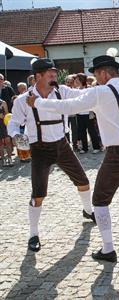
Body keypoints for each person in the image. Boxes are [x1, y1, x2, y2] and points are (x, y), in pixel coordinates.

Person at [27, 54, 119, 263]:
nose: (96, 79)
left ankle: (108, 249)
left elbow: (68, 107)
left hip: (117, 154)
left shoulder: (100, 92)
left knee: (99, 201)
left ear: (104, 73)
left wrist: (39, 103)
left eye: (96, 75)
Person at [7, 58, 95, 252]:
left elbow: (83, 95)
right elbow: (14, 123)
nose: (55, 76)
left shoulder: (62, 92)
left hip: (62, 145)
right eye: (50, 73)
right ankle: (33, 234)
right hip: (40, 149)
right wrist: (16, 135)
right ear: (38, 76)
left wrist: (100, 90)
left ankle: (88, 211)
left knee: (83, 181)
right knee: (38, 195)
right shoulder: (23, 100)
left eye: (55, 72)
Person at [74, 73, 101, 154]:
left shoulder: (89, 88)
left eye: (77, 79)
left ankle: (96, 147)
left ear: (81, 80)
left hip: (88, 114)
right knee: (82, 131)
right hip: (79, 114)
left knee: (92, 131)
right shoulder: (76, 90)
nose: (76, 81)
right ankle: (84, 148)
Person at [0, 98, 13, 166]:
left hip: (4, 125)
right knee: (1, 144)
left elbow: (7, 115)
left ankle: (10, 158)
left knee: (8, 142)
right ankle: (3, 159)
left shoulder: (3, 102)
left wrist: (4, 115)